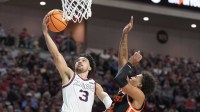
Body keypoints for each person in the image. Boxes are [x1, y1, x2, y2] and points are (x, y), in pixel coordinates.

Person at [42, 13, 112, 112]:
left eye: (84, 60)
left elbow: (104, 96)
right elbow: (56, 55)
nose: (79, 61)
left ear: (89, 68)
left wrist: (110, 106)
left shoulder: (94, 85)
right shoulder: (69, 74)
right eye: (78, 60)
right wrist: (46, 34)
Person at [105, 16, 156, 112]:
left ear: (140, 84)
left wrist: (131, 63)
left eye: (137, 76)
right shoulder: (125, 89)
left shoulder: (140, 96)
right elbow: (123, 58)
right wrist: (125, 34)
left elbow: (119, 79)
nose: (134, 76)